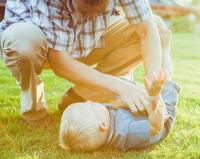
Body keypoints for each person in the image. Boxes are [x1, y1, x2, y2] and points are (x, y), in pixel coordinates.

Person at [0, 0, 170, 125]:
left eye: (99, 10)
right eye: (85, 9)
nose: (93, 16)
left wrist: (153, 88)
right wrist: (121, 86)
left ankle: (79, 97)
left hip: (88, 40)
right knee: (23, 44)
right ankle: (35, 112)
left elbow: (146, 31)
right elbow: (60, 63)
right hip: (38, 41)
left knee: (156, 25)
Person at [59, 70, 180, 151]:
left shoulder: (102, 118)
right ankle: (164, 51)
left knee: (120, 96)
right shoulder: (128, 132)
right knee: (167, 86)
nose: (89, 102)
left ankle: (142, 93)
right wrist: (155, 98)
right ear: (104, 125)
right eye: (91, 106)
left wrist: (134, 98)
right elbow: (155, 127)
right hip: (160, 119)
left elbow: (114, 105)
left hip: (138, 113)